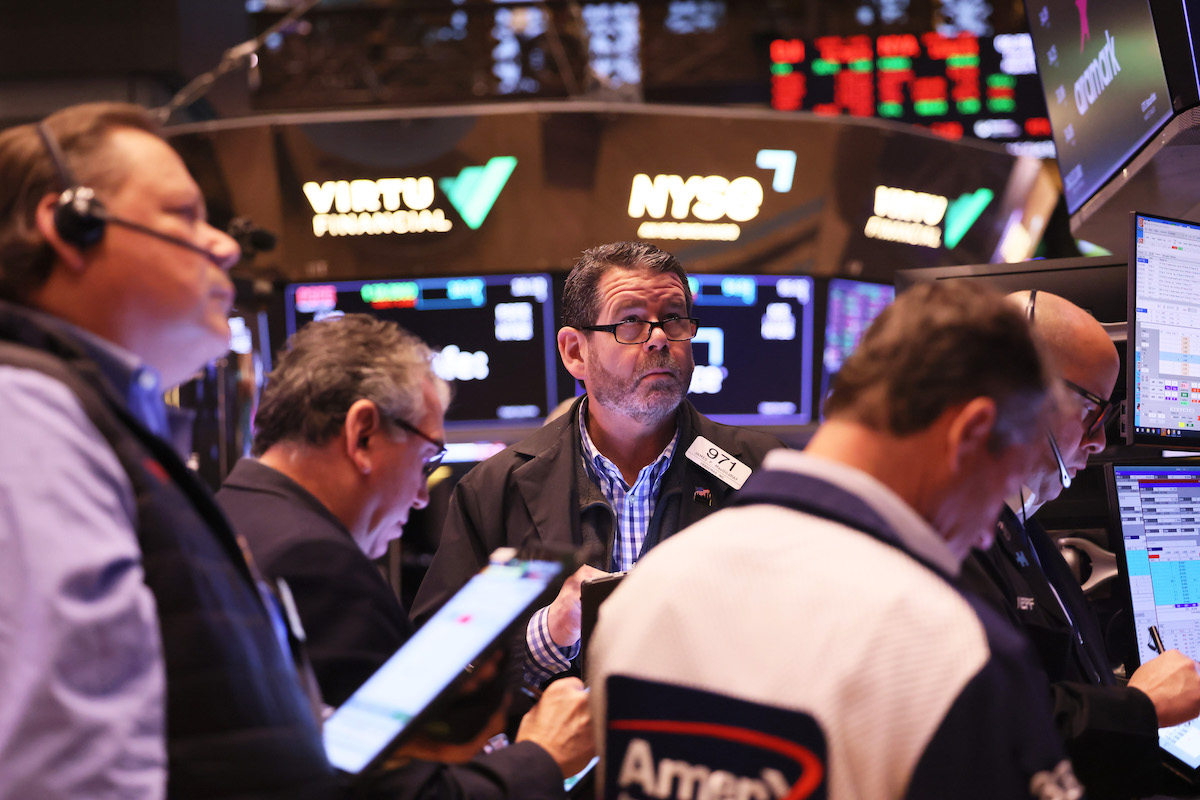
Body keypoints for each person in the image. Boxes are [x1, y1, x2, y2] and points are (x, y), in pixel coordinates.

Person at [0, 102, 584, 800]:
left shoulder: (98, 427)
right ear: (68, 227)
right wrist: (534, 762)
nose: (223, 245)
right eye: (184, 216)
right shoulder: (29, 418)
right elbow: (65, 765)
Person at [588, 281, 1083, 800]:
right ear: (973, 433)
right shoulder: (953, 650)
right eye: (1005, 483)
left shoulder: (641, 599)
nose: (987, 532)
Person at [215, 313, 593, 793]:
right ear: (364, 434)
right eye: (428, 459)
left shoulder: (230, 511)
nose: (420, 496)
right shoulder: (317, 564)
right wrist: (542, 756)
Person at [410, 241, 783, 686]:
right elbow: (434, 669)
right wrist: (550, 632)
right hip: (560, 751)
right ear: (574, 352)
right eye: (630, 322)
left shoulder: (762, 474)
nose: (660, 336)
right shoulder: (495, 490)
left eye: (674, 319)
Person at [959, 289, 1200, 799]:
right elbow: (997, 733)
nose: (1098, 439)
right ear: (1021, 391)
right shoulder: (950, 536)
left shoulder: (1024, 534)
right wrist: (1141, 709)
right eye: (1094, 412)